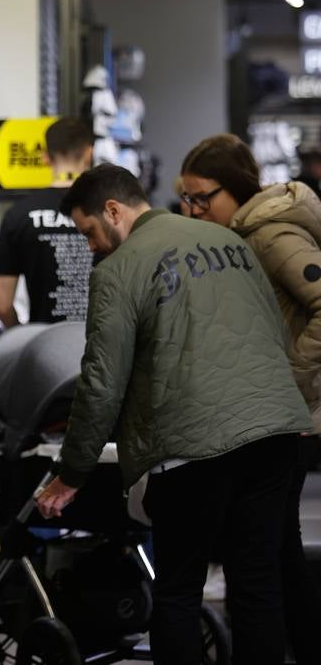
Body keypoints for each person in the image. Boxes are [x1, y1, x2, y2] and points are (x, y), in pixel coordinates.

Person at [35, 163, 311, 665]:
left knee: (179, 591)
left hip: (191, 448)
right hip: (275, 433)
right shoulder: (228, 242)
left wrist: (70, 474)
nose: (90, 246)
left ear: (113, 210)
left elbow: (101, 382)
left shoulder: (117, 272)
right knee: (257, 584)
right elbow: (274, 328)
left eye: (89, 232)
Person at [181, 132, 321, 665]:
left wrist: (286, 376)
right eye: (185, 198)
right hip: (272, 418)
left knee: (259, 560)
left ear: (236, 189)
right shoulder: (239, 234)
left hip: (280, 419)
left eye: (202, 197)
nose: (192, 209)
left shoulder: (269, 235)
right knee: (278, 555)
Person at [0, 117, 94, 326]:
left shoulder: (19, 214)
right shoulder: (107, 211)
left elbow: (2, 305)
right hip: (98, 342)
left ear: (45, 158)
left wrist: (25, 337)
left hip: (45, 345)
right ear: (89, 154)